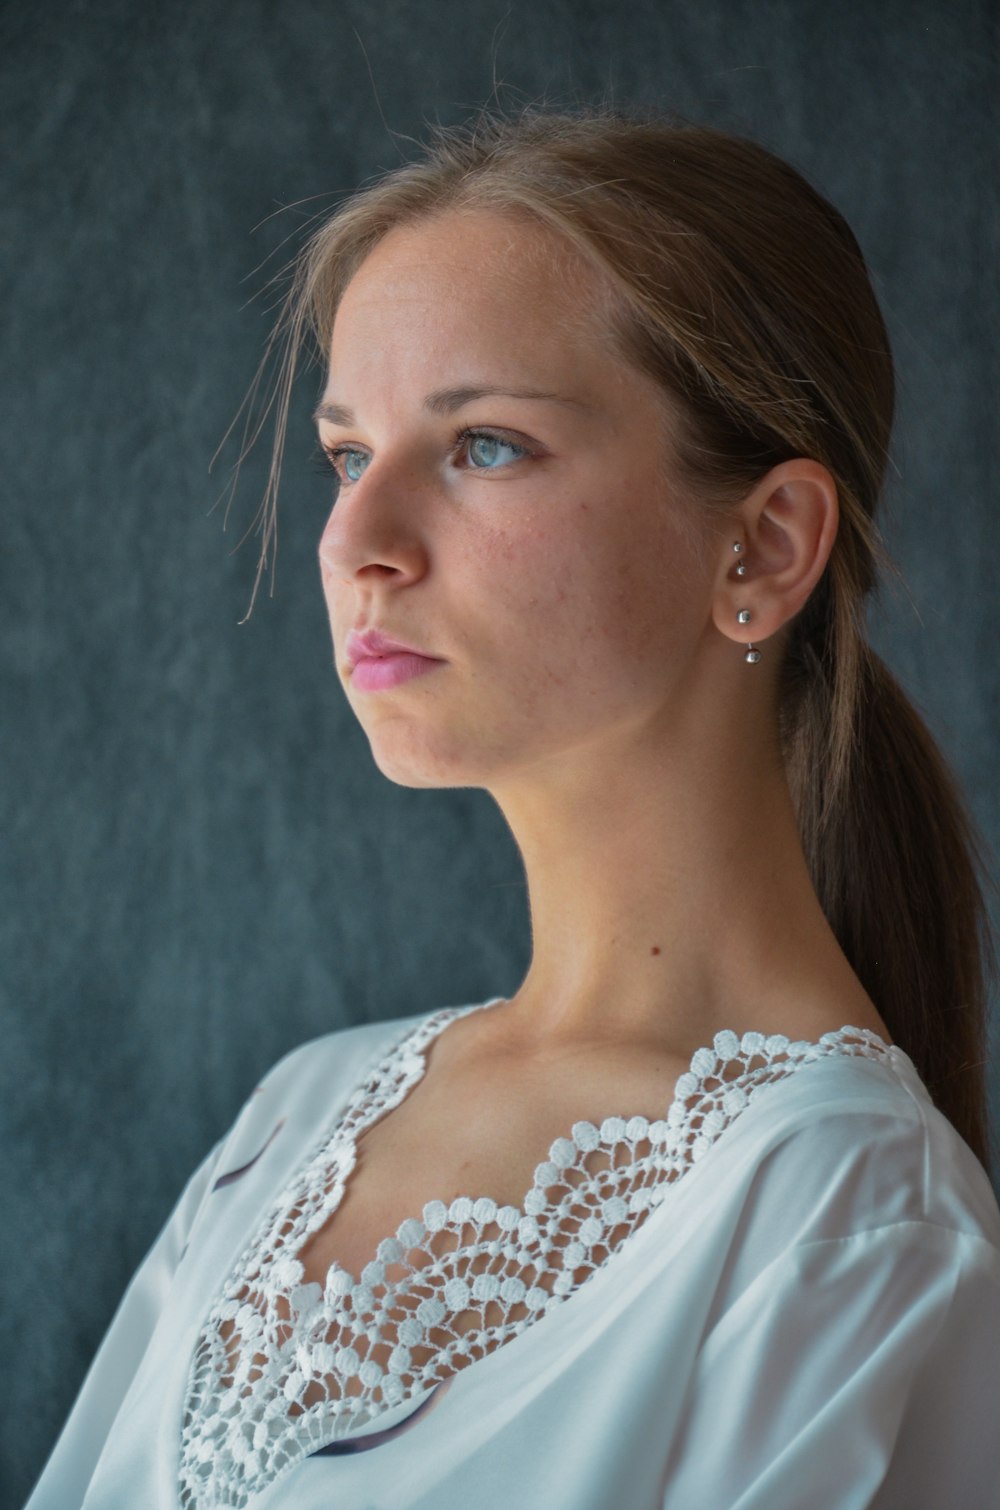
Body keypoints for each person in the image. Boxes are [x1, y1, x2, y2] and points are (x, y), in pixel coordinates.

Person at [27, 103, 1000, 1510]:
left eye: (482, 444)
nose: (357, 544)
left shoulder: (851, 1229)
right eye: (348, 454)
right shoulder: (297, 1121)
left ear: (768, 541)